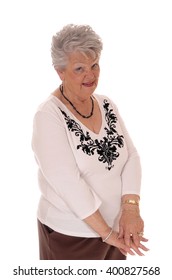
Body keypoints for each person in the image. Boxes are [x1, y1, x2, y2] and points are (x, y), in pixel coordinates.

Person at [32, 24, 149, 260]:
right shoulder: (48, 116)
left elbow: (131, 157)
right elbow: (67, 183)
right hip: (72, 236)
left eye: (94, 65)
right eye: (79, 68)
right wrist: (106, 233)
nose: (91, 75)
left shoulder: (106, 104)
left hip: (118, 230)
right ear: (60, 72)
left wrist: (130, 207)